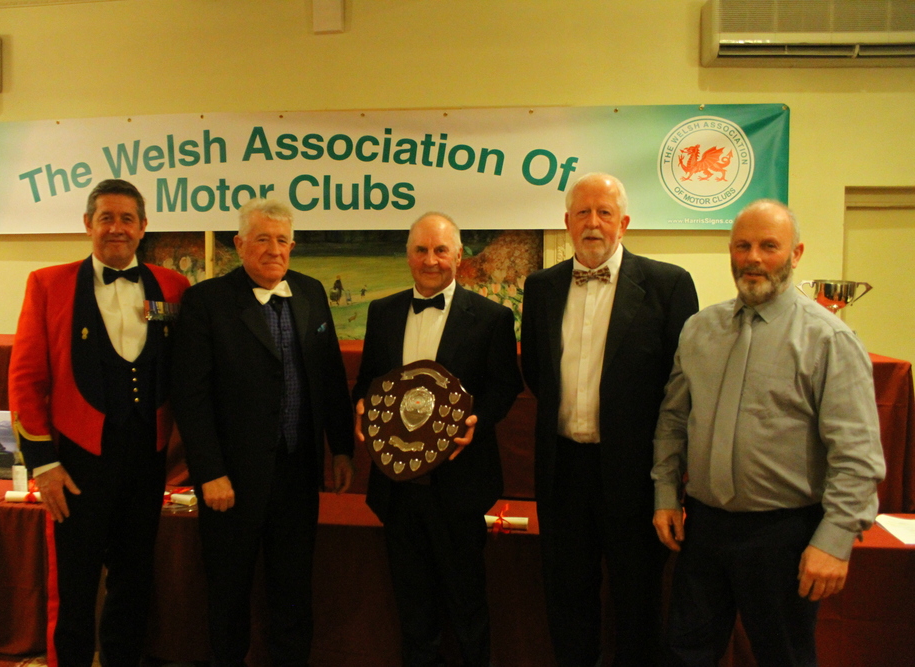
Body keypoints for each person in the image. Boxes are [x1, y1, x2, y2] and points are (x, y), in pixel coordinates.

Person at [651, 199, 886, 666]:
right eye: (742, 246)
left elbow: (857, 454)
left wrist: (834, 539)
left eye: (769, 246)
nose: (753, 258)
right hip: (704, 528)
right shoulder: (699, 330)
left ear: (796, 254)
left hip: (784, 536)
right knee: (684, 654)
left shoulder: (828, 339)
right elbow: (673, 421)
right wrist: (665, 494)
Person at [8, 179, 190, 667]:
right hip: (77, 460)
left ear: (143, 227)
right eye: (106, 218)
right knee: (75, 581)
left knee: (134, 578)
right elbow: (25, 379)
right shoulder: (47, 284)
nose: (117, 228)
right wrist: (43, 464)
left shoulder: (174, 287)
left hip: (147, 457)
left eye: (127, 219)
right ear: (88, 224)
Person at [520, 173, 699, 666]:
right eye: (583, 213)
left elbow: (682, 387)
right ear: (567, 222)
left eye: (604, 213)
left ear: (624, 223)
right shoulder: (540, 287)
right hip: (562, 474)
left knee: (637, 604)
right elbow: (536, 371)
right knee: (567, 600)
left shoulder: (669, 285)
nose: (593, 223)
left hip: (635, 476)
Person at [171, 199, 354, 667]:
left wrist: (341, 450)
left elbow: (330, 376)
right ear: (239, 244)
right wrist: (209, 472)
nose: (274, 249)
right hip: (230, 481)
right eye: (262, 239)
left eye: (282, 240)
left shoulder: (311, 292)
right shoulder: (207, 302)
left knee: (293, 592)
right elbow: (191, 396)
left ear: (292, 245)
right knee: (228, 592)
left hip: (298, 474)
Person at [352, 212, 523, 667]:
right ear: (408, 255)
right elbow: (368, 380)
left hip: (459, 487)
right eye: (421, 250)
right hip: (397, 489)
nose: (431, 260)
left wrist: (477, 421)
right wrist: (362, 407)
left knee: (467, 606)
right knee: (413, 609)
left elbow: (505, 386)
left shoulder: (491, 318)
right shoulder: (382, 312)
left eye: (440, 250)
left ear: (459, 256)